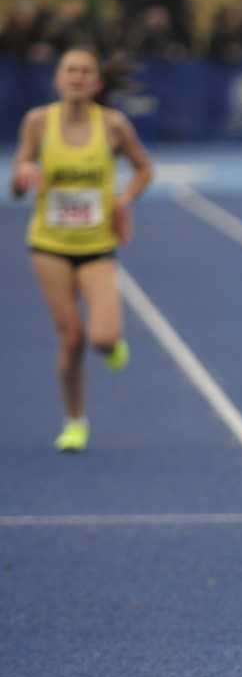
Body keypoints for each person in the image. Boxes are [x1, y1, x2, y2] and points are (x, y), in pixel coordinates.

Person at [11, 46, 153, 452]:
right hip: (49, 245)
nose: (76, 77)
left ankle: (111, 346)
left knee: (103, 339)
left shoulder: (112, 125)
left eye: (84, 71)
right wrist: (22, 178)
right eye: (69, 70)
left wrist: (123, 200)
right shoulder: (38, 123)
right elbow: (17, 185)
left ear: (96, 82)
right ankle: (75, 421)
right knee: (71, 338)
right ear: (58, 79)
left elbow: (145, 168)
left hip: (96, 244)